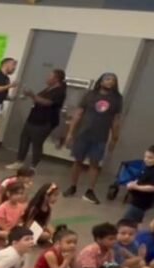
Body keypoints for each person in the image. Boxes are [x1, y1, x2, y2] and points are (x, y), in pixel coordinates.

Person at [65, 73, 123, 205]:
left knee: (94, 164)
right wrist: (70, 132)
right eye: (107, 79)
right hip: (83, 134)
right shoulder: (90, 95)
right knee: (77, 161)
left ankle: (90, 191)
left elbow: (116, 120)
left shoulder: (117, 99)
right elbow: (78, 113)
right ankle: (73, 186)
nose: (110, 82)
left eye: (113, 80)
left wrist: (114, 138)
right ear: (101, 81)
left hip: (100, 136)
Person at [8, 69, 67, 170]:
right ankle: (19, 161)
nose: (47, 78)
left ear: (56, 79)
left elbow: (47, 102)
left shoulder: (60, 91)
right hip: (33, 118)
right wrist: (28, 96)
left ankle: (33, 166)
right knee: (24, 139)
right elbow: (38, 99)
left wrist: (32, 95)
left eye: (50, 76)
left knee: (37, 143)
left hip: (45, 121)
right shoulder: (48, 89)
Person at [123, 146, 154, 224]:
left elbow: (151, 187)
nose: (146, 159)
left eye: (150, 158)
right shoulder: (147, 168)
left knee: (128, 222)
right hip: (137, 199)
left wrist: (136, 187)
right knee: (133, 221)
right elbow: (142, 179)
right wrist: (134, 183)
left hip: (141, 202)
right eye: (145, 157)